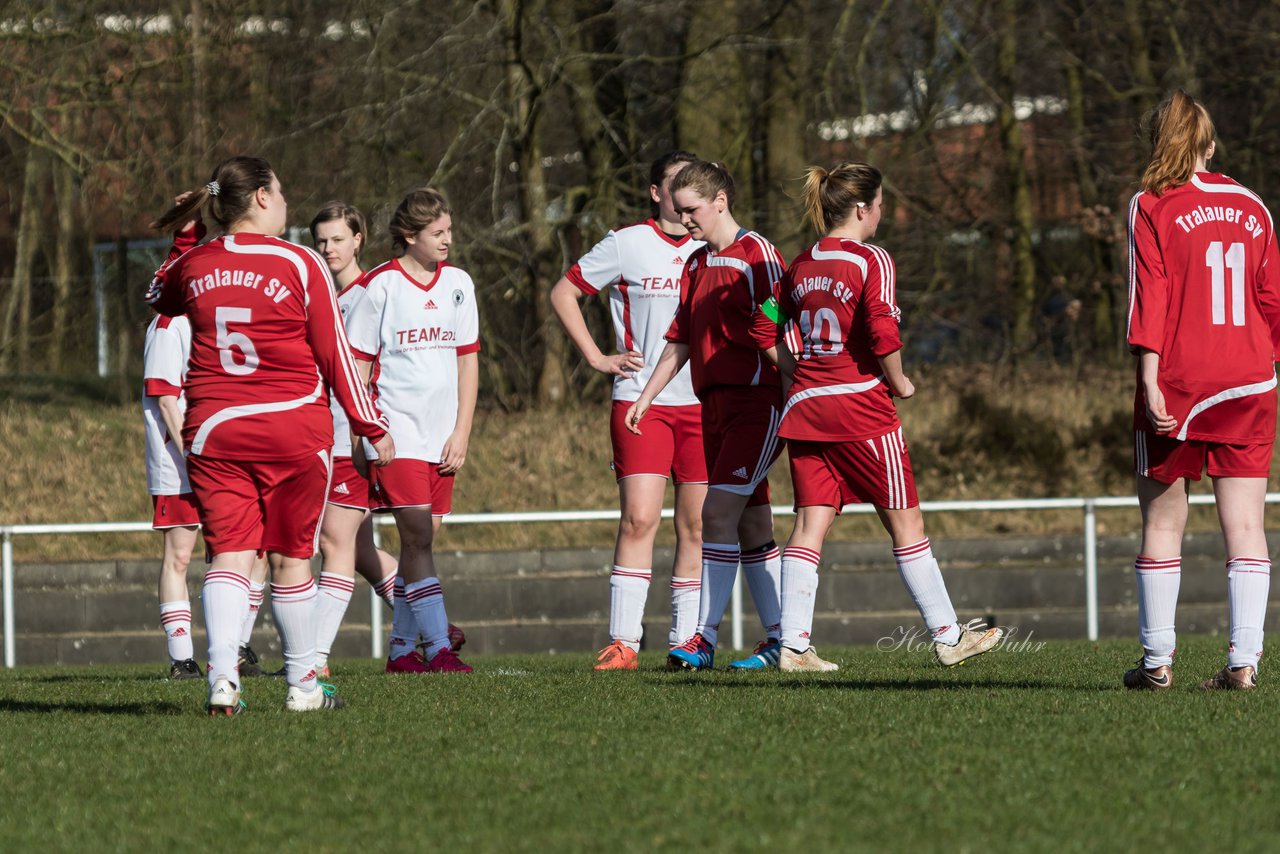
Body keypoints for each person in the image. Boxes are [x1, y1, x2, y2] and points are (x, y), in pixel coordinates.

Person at [146, 155, 394, 715]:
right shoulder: (301, 263)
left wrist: (187, 238)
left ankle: (223, 680)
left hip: (213, 431)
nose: (286, 203)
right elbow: (335, 356)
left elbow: (157, 298)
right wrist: (370, 426)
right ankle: (304, 687)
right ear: (260, 197)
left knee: (229, 558)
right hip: (292, 431)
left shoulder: (196, 264)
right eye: (280, 192)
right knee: (290, 561)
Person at [761, 162, 1003, 672]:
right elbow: (882, 332)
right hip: (862, 410)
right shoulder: (873, 260)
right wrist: (900, 381)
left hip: (805, 408)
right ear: (861, 209)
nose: (883, 214)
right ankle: (948, 635)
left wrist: (799, 371)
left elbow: (762, 324)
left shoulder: (801, 263)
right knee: (906, 522)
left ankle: (794, 645)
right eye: (881, 205)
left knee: (808, 525)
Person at [1124, 90, 1280, 691]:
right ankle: (1245, 663)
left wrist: (1148, 379)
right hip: (1250, 380)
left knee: (1163, 523)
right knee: (1246, 527)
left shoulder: (1151, 203)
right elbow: (1272, 302)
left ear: (1157, 143)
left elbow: (1151, 296)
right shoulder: (1254, 204)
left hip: (1180, 384)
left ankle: (1157, 662)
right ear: (1209, 144)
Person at [549, 151, 709, 670]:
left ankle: (686, 642)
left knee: (696, 524)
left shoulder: (716, 245)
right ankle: (624, 642)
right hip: (640, 402)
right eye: (674, 183)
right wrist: (596, 356)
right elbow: (565, 291)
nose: (683, 196)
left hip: (704, 402)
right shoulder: (626, 243)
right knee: (640, 519)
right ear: (655, 192)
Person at [626, 160, 787, 671]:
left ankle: (703, 637)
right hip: (712, 407)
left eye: (692, 208)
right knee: (752, 524)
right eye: (678, 208)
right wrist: (646, 397)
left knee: (713, 515)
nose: (683, 217)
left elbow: (781, 325)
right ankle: (783, 639)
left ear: (720, 201)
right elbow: (680, 339)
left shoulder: (756, 254)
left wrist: (799, 387)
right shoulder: (695, 265)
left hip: (756, 406)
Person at [344, 188, 478, 674]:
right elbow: (356, 368)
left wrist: (462, 431)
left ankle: (401, 652)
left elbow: (468, 363)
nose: (447, 240)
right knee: (418, 535)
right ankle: (438, 647)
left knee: (422, 541)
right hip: (395, 435)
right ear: (409, 235)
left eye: (449, 231)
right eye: (437, 233)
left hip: (442, 437)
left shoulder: (460, 283)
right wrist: (366, 433)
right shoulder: (379, 286)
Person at [143, 311, 273, 680]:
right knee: (180, 555)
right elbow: (167, 400)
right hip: (180, 463)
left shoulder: (220, 311)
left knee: (251, 551)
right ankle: (182, 659)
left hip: (227, 456)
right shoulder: (169, 325)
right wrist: (193, 452)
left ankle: (237, 647)